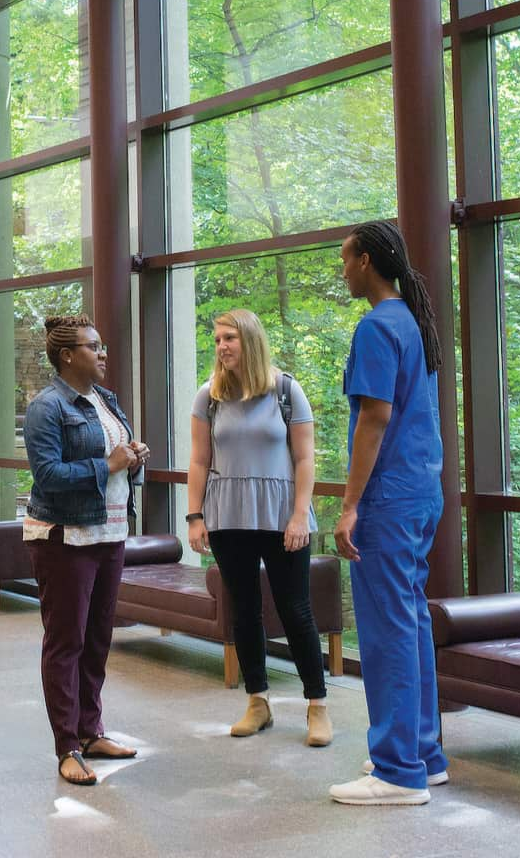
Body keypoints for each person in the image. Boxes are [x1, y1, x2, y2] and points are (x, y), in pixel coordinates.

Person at [326, 220, 450, 807]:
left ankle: (398, 772)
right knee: (412, 621)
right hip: (422, 491)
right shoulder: (412, 323)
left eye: (345, 260)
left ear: (368, 261)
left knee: (387, 629)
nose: (342, 270)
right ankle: (423, 753)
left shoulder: (377, 327)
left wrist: (349, 505)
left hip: (388, 498)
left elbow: (373, 420)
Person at [187, 309, 331, 747]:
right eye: (216, 340)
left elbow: (305, 459)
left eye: (229, 337)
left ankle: (317, 706)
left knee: (296, 610)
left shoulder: (287, 390)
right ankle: (257, 702)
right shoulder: (208, 396)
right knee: (244, 611)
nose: (221, 346)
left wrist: (299, 515)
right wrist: (195, 516)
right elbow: (198, 461)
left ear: (250, 340)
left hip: (281, 516)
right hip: (228, 515)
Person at [21, 315, 150, 786]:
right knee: (66, 642)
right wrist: (109, 462)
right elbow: (48, 476)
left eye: (102, 345)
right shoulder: (47, 407)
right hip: (65, 538)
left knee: (97, 640)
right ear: (67, 355)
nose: (102, 354)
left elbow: (116, 467)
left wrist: (132, 460)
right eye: (93, 347)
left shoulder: (105, 400)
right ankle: (67, 747)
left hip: (109, 534)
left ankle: (91, 731)